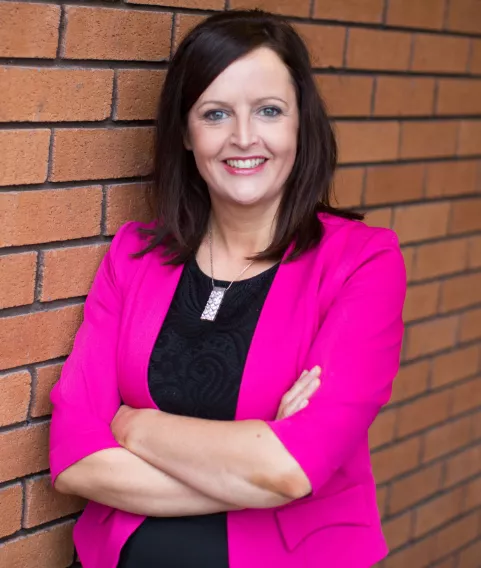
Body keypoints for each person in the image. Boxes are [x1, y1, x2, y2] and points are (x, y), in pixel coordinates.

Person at [49, 9, 406, 568]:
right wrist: (254, 466)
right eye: (215, 114)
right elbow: (75, 458)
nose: (244, 138)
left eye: (268, 110)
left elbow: (289, 468)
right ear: (187, 135)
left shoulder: (362, 262)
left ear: (299, 124)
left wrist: (132, 424)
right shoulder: (134, 255)